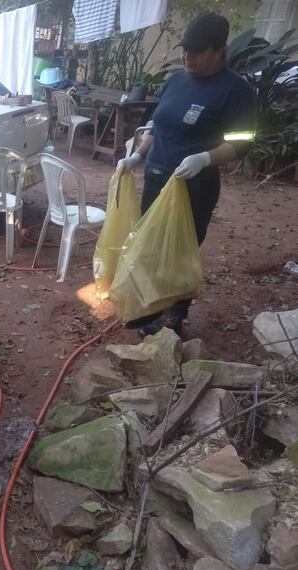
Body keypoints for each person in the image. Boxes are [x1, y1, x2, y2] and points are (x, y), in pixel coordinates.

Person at [117, 12, 256, 337]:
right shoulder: (176, 81)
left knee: (178, 252)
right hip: (156, 177)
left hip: (195, 185)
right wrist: (136, 156)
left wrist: (205, 158)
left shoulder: (234, 90)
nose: (187, 56)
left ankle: (173, 317)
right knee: (151, 246)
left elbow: (243, 143)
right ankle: (147, 308)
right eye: (185, 49)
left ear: (218, 51)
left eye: (196, 51)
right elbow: (157, 125)